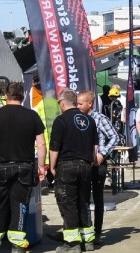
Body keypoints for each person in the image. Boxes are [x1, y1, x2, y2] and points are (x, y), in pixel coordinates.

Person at [0, 82, 46, 252]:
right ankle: (17, 243)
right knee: (20, 205)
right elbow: (41, 144)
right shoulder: (32, 116)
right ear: (23, 96)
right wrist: (40, 168)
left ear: (6, 96)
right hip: (24, 167)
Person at [50, 89, 98, 252]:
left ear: (63, 103)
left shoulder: (60, 120)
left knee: (68, 204)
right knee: (83, 202)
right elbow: (94, 147)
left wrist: (52, 166)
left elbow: (55, 147)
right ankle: (88, 241)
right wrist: (90, 163)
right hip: (85, 165)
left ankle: (72, 243)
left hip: (67, 166)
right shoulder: (89, 120)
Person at [77, 90, 120, 246]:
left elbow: (115, 136)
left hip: (97, 164)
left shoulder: (100, 118)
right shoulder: (78, 119)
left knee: (98, 198)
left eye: (80, 103)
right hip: (82, 164)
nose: (78, 106)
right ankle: (84, 231)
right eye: (77, 103)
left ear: (90, 104)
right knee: (83, 198)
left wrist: (102, 153)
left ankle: (97, 232)